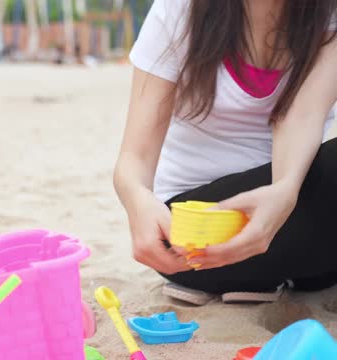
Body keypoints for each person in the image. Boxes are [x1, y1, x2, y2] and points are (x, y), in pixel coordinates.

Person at [114, 0, 337, 305]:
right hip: (196, 238)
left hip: (287, 218)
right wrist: (138, 202)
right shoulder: (181, 9)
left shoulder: (329, 15)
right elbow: (133, 160)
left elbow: (301, 116)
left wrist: (284, 190)